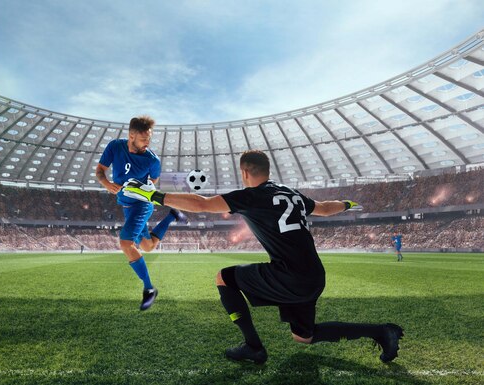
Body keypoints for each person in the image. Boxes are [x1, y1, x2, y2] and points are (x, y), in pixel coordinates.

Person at [124, 150, 404, 364]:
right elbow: (324, 208)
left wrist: (153, 195)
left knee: (224, 277)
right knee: (303, 337)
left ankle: (253, 347)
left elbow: (201, 204)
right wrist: (347, 204)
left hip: (289, 277)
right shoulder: (291, 194)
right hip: (313, 276)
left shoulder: (251, 196)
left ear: (245, 173)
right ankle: (381, 331)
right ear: (267, 171)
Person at [95, 115, 187, 311]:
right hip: (126, 206)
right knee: (148, 246)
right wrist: (107, 184)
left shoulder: (152, 160)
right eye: (144, 139)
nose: (148, 142)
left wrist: (138, 190)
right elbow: (100, 170)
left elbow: (152, 183)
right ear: (131, 136)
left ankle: (149, 289)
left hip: (142, 205)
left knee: (125, 243)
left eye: (149, 138)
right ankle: (172, 216)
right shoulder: (115, 147)